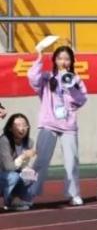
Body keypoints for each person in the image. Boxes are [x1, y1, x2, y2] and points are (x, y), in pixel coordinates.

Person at [27, 44, 88, 205]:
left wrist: (70, 87)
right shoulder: (47, 77)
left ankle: (73, 194)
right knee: (41, 161)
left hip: (68, 126)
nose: (63, 62)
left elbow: (81, 100)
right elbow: (32, 78)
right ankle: (29, 194)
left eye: (67, 59)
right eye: (60, 58)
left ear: (71, 61)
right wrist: (39, 58)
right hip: (48, 124)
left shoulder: (75, 79)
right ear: (54, 60)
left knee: (71, 162)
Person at [1, 114, 36, 211]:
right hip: (3, 175)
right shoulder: (4, 141)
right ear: (10, 128)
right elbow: (8, 167)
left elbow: (22, 166)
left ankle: (20, 199)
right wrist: (23, 156)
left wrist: (28, 169)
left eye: (24, 125)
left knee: (31, 174)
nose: (22, 128)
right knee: (13, 176)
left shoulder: (29, 142)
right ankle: (9, 202)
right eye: (18, 125)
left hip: (11, 174)